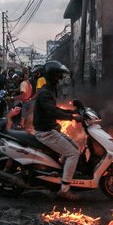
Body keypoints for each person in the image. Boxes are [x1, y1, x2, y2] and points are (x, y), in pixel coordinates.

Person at [33, 61, 82, 200]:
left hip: (50, 130)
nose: (61, 80)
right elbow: (53, 112)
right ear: (54, 77)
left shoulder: (48, 90)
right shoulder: (45, 93)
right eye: (60, 77)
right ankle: (65, 189)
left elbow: (55, 109)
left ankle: (61, 174)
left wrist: (72, 112)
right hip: (46, 133)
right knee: (73, 154)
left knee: (74, 147)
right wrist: (72, 117)